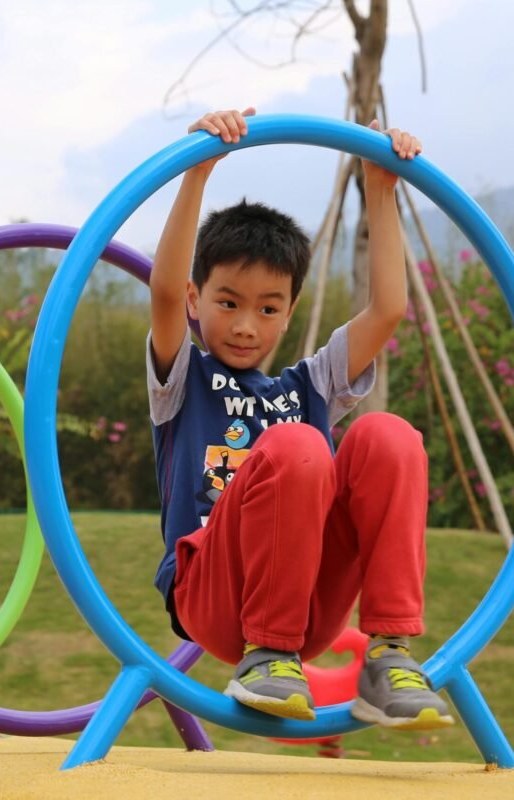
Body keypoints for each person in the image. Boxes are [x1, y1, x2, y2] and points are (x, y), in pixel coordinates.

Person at [147, 107, 454, 730]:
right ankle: (263, 653)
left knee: (387, 436)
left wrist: (379, 186)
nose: (243, 324)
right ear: (194, 299)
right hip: (212, 592)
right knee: (297, 447)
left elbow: (389, 309)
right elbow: (159, 291)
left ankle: (389, 652)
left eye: (266, 308)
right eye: (227, 302)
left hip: (309, 608)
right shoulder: (185, 379)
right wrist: (197, 174)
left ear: (288, 315)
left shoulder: (309, 386)